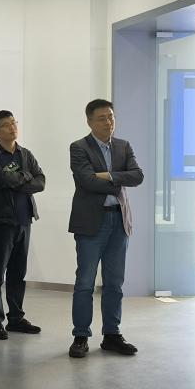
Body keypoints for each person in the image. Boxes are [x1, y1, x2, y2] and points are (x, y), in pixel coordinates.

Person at [68, 99, 144, 359]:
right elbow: (86, 181)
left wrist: (108, 175)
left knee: (115, 283)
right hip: (91, 223)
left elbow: (138, 176)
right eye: (102, 118)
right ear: (90, 121)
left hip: (118, 222)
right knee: (85, 282)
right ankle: (81, 335)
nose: (108, 122)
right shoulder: (79, 147)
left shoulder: (123, 146)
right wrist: (120, 178)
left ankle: (112, 334)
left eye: (111, 116)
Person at [0, 110, 46, 340]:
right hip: (1, 222)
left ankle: (16, 318)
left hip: (24, 221)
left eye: (13, 122)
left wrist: (17, 180)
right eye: (6, 125)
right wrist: (25, 177)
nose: (12, 127)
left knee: (18, 273)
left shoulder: (25, 154)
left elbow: (41, 181)